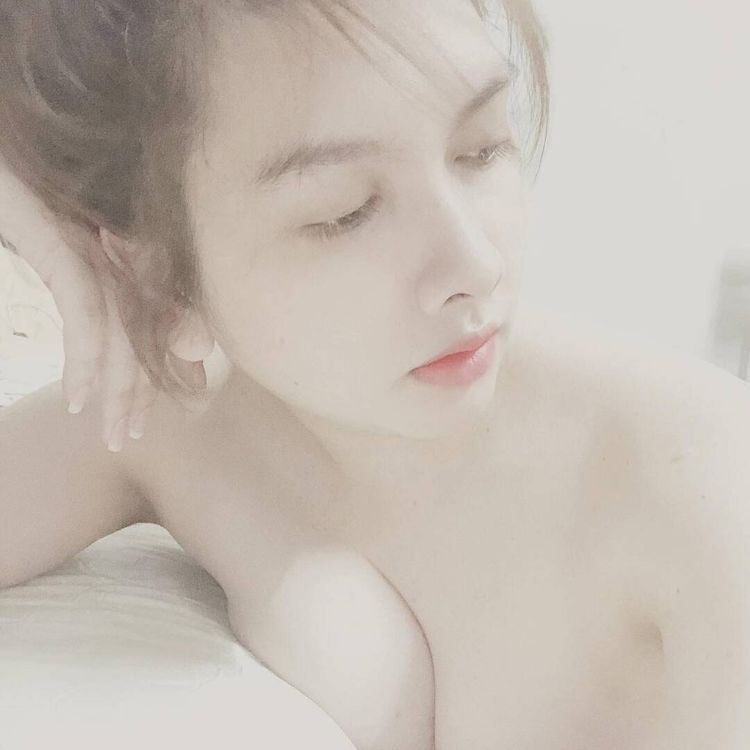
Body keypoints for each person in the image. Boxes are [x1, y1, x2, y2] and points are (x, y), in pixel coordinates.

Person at [2, 1, 750, 748]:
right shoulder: (175, 418)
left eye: (483, 148)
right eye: (346, 212)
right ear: (156, 276)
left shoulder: (703, 500)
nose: (475, 265)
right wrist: (28, 217)